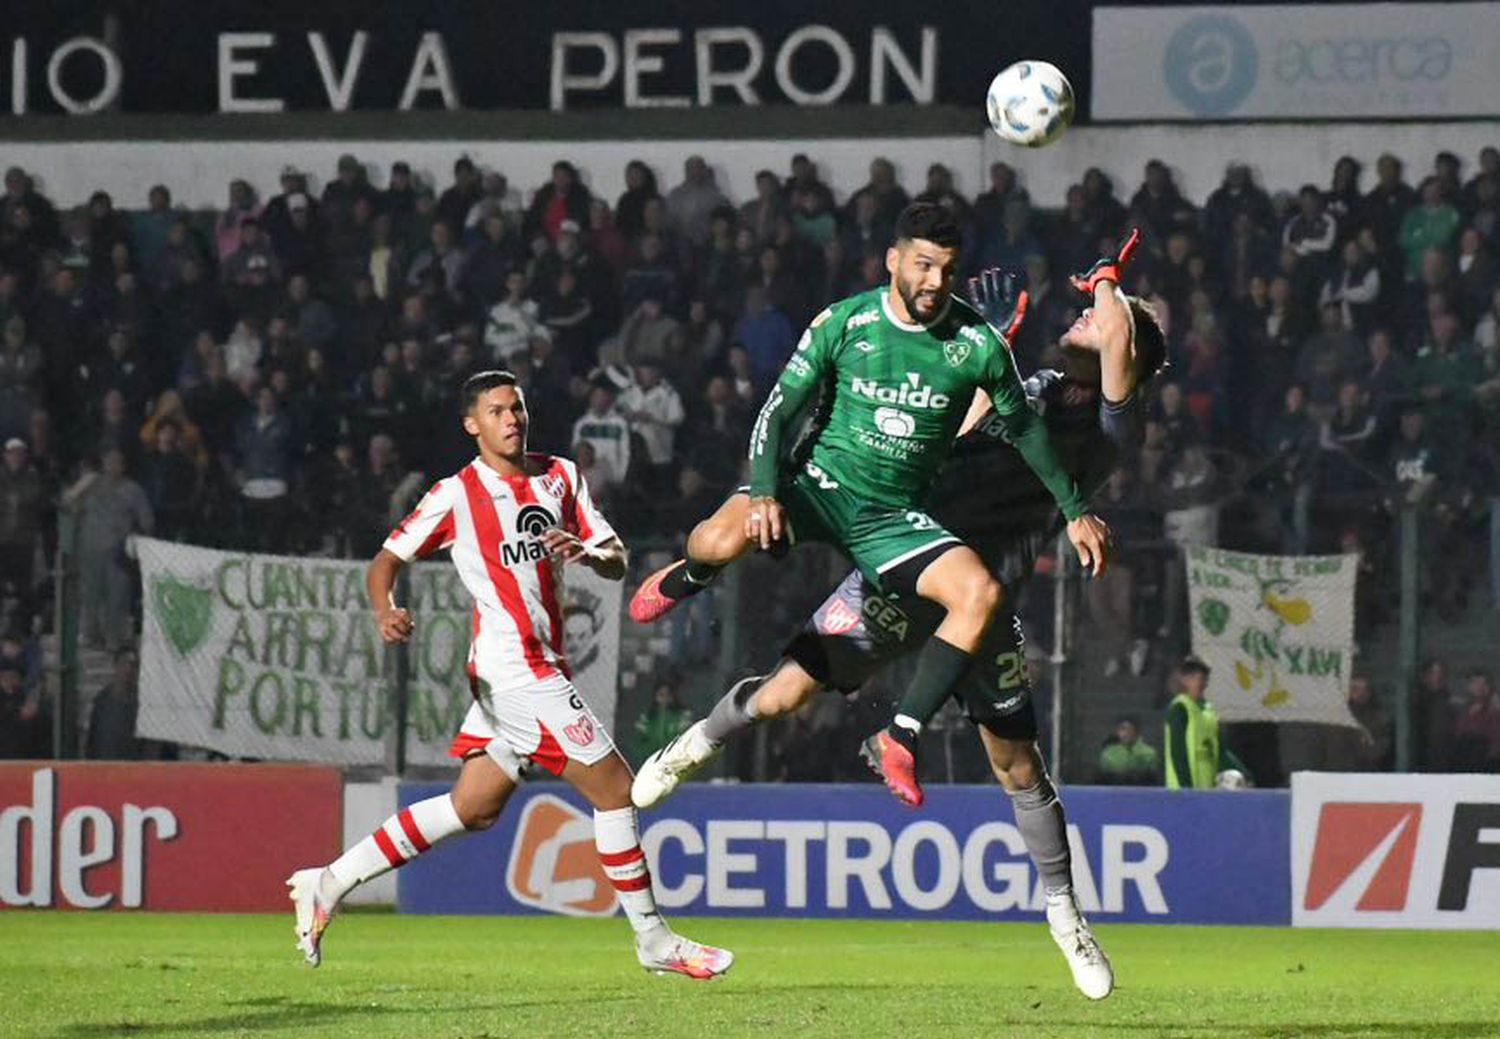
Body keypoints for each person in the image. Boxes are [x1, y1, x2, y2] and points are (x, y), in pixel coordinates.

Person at [632, 237, 1167, 1002]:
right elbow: (952, 431)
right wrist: (985, 348)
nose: (1087, 316)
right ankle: (691, 746)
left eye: (1099, 317)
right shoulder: (1031, 379)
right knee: (785, 694)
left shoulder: (1114, 425)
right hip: (911, 561)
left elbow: (1117, 330)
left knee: (1018, 768)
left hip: (984, 600)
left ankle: (1066, 917)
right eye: (1087, 308)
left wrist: (1109, 275)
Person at [628, 203, 1111, 808]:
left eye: (948, 270)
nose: (935, 281)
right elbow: (777, 411)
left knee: (979, 595)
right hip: (813, 486)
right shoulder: (845, 322)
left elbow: (1027, 433)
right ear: (893, 261)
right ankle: (692, 572)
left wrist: (1072, 508)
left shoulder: (977, 344)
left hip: (889, 518)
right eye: (924, 265)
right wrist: (766, 492)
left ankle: (897, 735)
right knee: (717, 542)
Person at [287, 370, 730, 980]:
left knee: (473, 807)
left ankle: (329, 880)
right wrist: (385, 610)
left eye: (517, 408)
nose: (512, 419)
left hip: (534, 667)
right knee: (615, 791)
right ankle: (653, 940)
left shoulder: (562, 476)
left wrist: (585, 551)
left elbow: (617, 558)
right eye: (496, 411)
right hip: (514, 671)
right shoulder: (456, 494)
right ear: (473, 424)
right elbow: (386, 561)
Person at [1163, 656, 1251, 789]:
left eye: (1206, 679)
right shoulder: (1180, 709)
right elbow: (1178, 752)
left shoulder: (1208, 711)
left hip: (1207, 789)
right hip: (1183, 789)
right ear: (1186, 679)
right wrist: (1186, 789)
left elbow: (1220, 751)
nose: (1205, 684)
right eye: (1200, 678)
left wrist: (1243, 773)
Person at [1097, 717, 1161, 785]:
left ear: (1137, 732)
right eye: (1122, 729)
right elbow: (1103, 778)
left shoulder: (1149, 752)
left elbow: (1153, 778)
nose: (1126, 733)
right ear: (1117, 732)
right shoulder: (1108, 753)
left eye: (1130, 729)